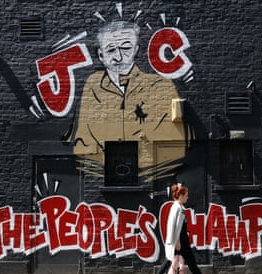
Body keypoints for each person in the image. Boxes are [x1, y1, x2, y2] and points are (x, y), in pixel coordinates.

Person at [73, 21, 187, 180]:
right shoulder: (93, 86)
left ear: (136, 50)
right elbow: (82, 145)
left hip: (155, 181)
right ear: (101, 55)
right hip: (110, 180)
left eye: (125, 48)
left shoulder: (159, 86)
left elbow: (176, 146)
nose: (118, 56)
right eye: (111, 50)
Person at [156, 183, 211, 274]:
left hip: (183, 240)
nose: (187, 197)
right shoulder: (176, 207)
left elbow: (180, 226)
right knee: (170, 260)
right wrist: (176, 241)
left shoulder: (180, 207)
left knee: (190, 261)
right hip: (179, 241)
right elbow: (172, 225)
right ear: (180, 196)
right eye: (186, 195)